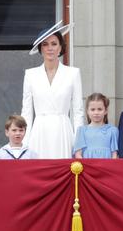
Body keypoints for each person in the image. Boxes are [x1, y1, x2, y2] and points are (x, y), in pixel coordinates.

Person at [21, 21, 84, 159]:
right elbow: (26, 112)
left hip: (63, 130)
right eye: (45, 44)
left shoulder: (73, 73)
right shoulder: (30, 74)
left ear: (61, 47)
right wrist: (24, 142)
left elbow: (78, 112)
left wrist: (78, 142)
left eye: (54, 44)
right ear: (40, 49)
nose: (50, 48)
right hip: (39, 131)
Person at [74, 92, 119, 159]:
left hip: (106, 168)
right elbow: (78, 155)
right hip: (87, 168)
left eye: (99, 109)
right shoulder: (81, 130)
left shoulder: (112, 130)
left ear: (106, 111)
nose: (96, 113)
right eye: (92, 109)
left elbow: (114, 155)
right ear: (87, 111)